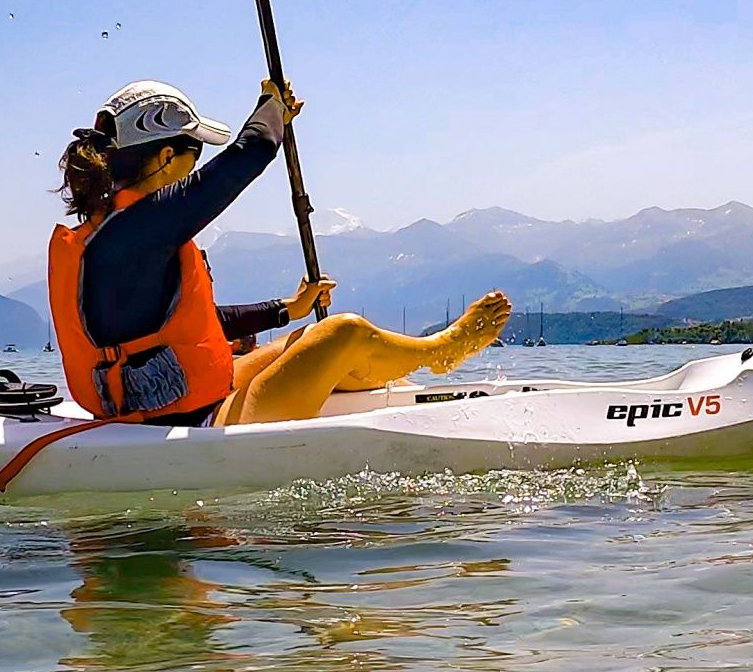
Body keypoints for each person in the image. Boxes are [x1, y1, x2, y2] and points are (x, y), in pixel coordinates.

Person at [50, 78, 511, 426]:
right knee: (344, 332)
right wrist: (272, 106)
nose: (195, 168)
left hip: (167, 407)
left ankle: (409, 382)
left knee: (308, 337)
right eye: (196, 155)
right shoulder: (140, 227)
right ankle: (440, 351)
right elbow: (252, 151)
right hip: (191, 422)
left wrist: (285, 310)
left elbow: (193, 324)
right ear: (168, 157)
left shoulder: (112, 234)